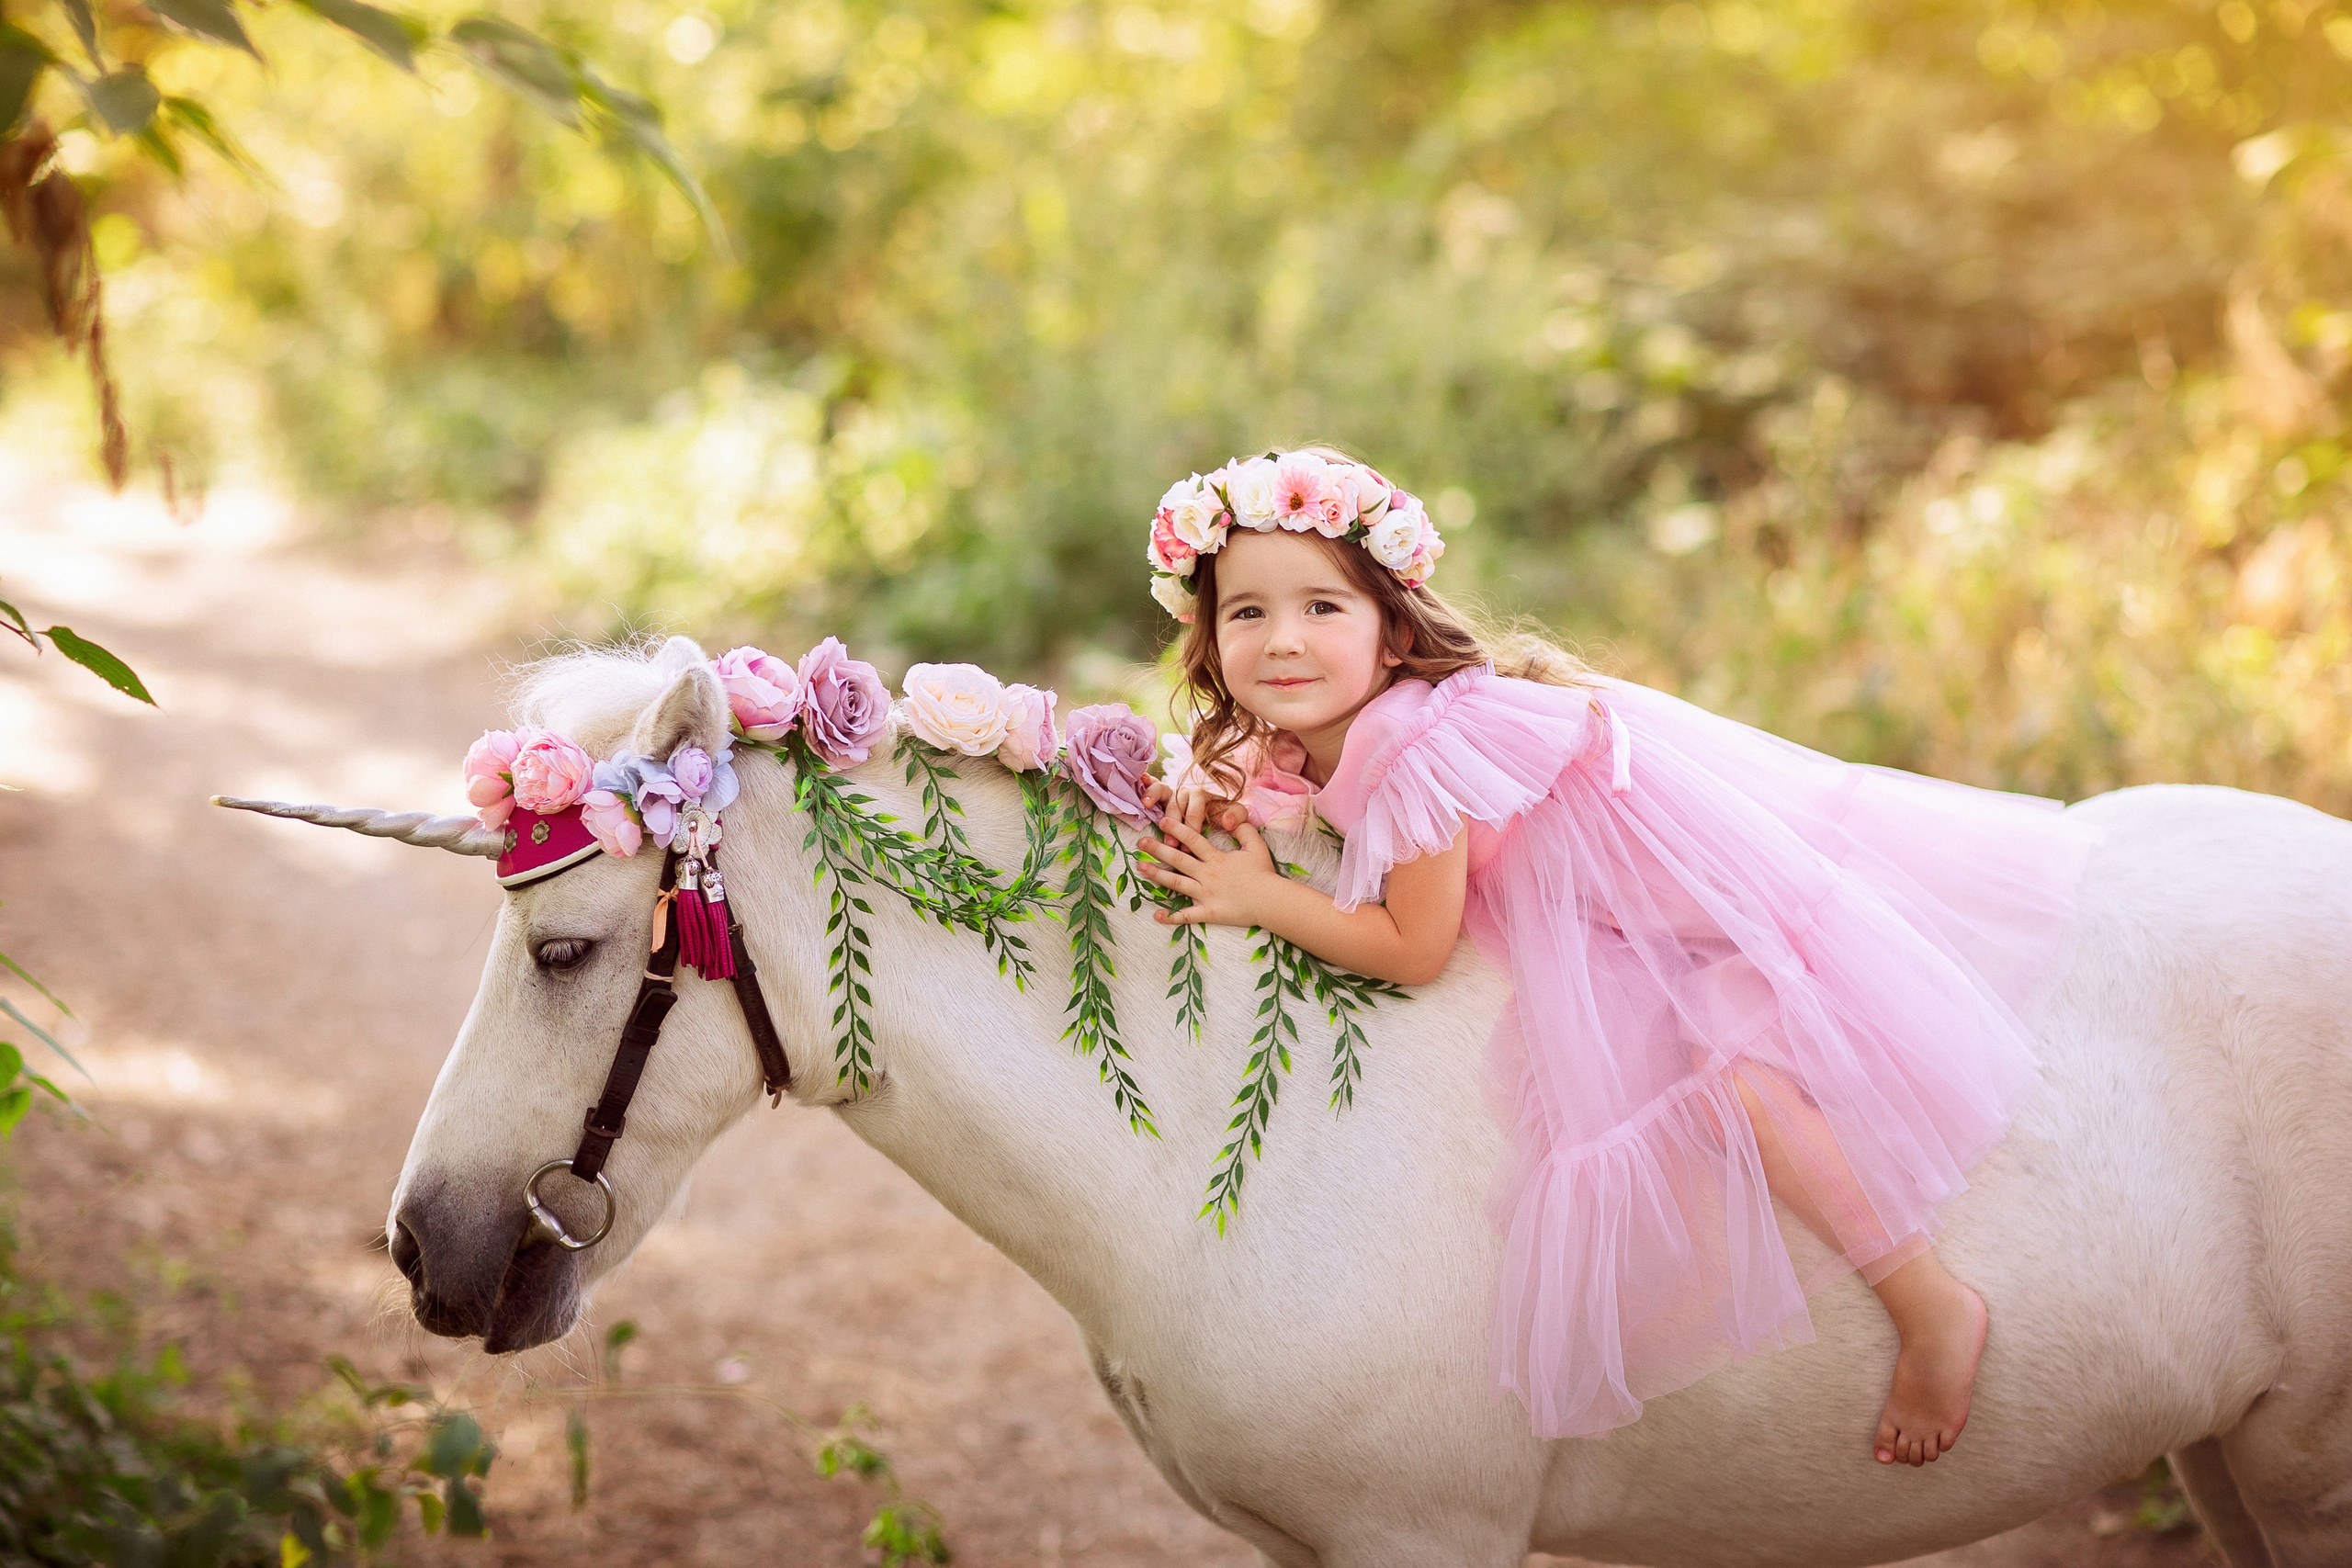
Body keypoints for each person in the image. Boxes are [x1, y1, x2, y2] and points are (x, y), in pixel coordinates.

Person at [1133, 447, 2092, 1466]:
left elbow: (1414, 947)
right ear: (1208, 633)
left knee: (1742, 1089)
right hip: (1605, 917)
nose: (1283, 641)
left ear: (1391, 627)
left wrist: (1262, 899)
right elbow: (1268, 776)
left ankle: (1928, 1303)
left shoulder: (1421, 748)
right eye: (1247, 614)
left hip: (1703, 910)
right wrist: (1211, 786)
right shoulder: (1305, 724)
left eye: (1322, 608)